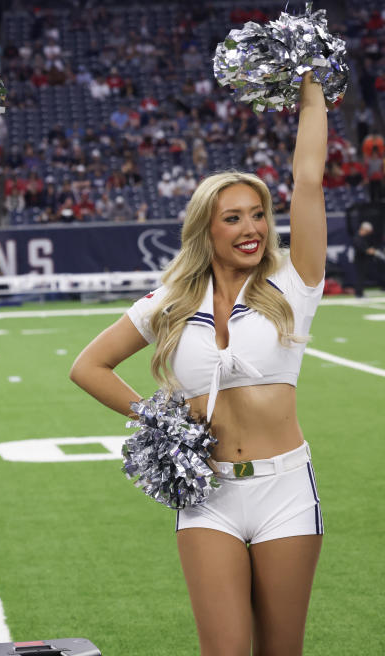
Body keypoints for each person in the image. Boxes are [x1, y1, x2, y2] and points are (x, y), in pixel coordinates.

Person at [69, 73, 328, 655]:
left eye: (258, 214)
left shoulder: (294, 283)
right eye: (232, 217)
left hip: (286, 488)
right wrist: (155, 418)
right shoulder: (171, 301)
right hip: (207, 493)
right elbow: (89, 366)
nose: (251, 228)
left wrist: (309, 84)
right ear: (205, 229)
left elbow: (307, 179)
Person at [352, 220, 382, 298]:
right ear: (363, 229)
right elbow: (360, 248)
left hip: (364, 260)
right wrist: (368, 251)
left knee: (362, 277)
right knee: (360, 277)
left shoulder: (363, 238)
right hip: (359, 260)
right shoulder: (357, 237)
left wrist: (370, 250)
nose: (368, 233)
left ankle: (360, 293)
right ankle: (359, 294)